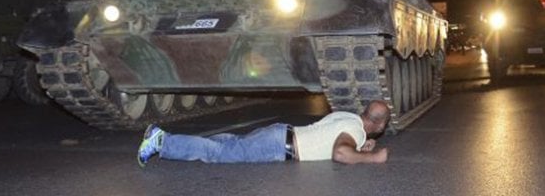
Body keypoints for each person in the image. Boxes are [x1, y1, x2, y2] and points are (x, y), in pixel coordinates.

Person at [137, 100, 390, 166]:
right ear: (379, 126)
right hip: (278, 146)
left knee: (229, 144)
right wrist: (373, 157)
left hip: (280, 132)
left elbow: (332, 137)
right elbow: (340, 154)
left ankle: (163, 138)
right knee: (218, 154)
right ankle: (163, 142)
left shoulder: (349, 118)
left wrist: (360, 147)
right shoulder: (355, 130)